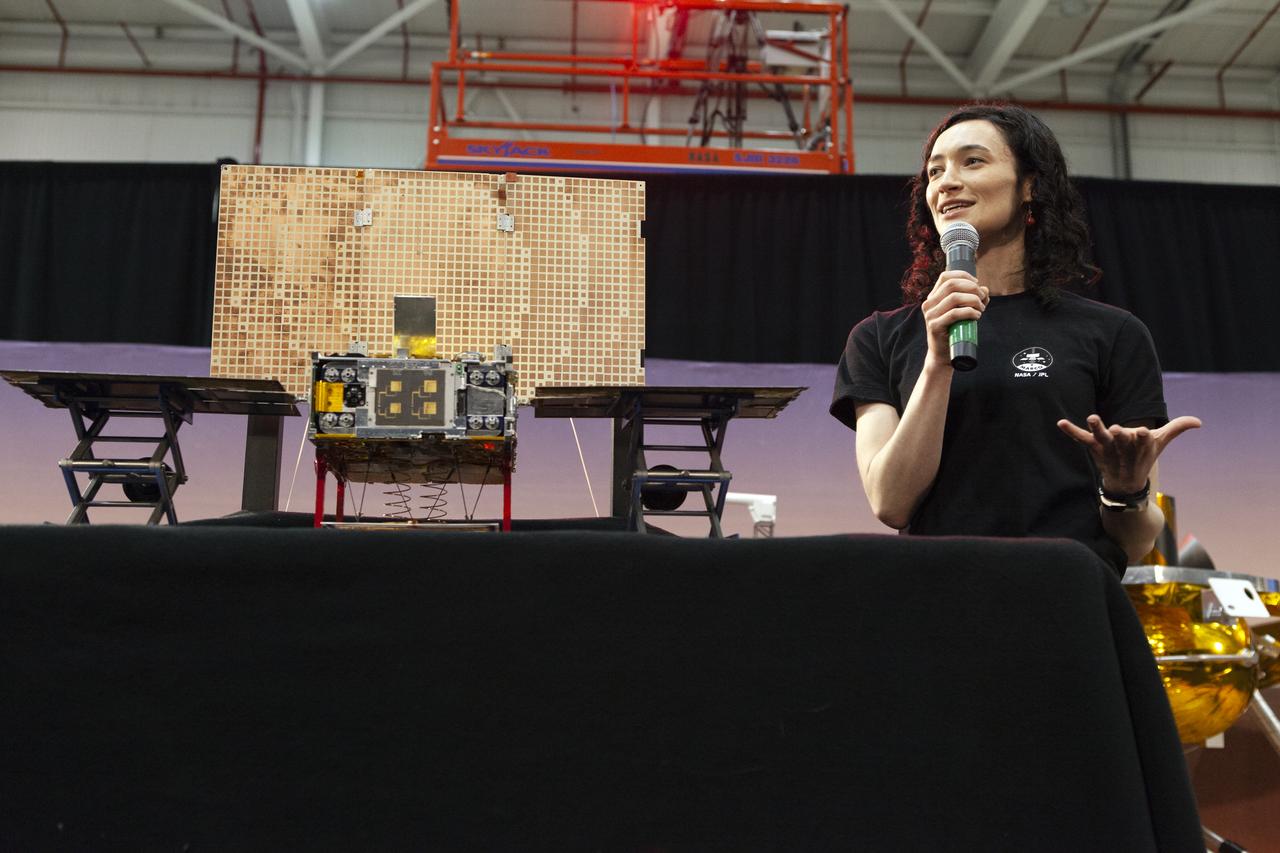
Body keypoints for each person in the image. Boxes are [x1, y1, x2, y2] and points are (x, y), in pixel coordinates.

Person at [829, 103, 1200, 572]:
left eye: (972, 161)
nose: (946, 182)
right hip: (939, 593)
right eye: (935, 171)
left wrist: (1126, 490)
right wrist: (937, 361)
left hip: (1065, 592)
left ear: (1030, 186)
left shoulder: (1114, 334)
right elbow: (890, 502)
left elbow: (1135, 543)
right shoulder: (879, 337)